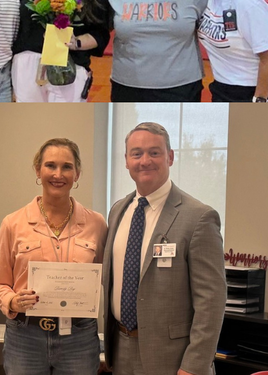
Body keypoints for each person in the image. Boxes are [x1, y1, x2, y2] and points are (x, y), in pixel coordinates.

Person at [102, 122, 226, 375]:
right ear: (126, 161)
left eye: (154, 152)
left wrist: (194, 365)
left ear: (170, 157)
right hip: (120, 351)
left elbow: (211, 301)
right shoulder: (118, 211)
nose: (145, 160)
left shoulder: (199, 217)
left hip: (174, 359)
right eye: (136, 153)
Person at [0, 138, 107, 375]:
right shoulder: (13, 223)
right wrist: (12, 301)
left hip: (79, 337)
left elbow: (107, 280)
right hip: (25, 337)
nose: (58, 174)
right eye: (50, 165)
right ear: (38, 170)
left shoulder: (96, 223)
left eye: (67, 167)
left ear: (78, 173)